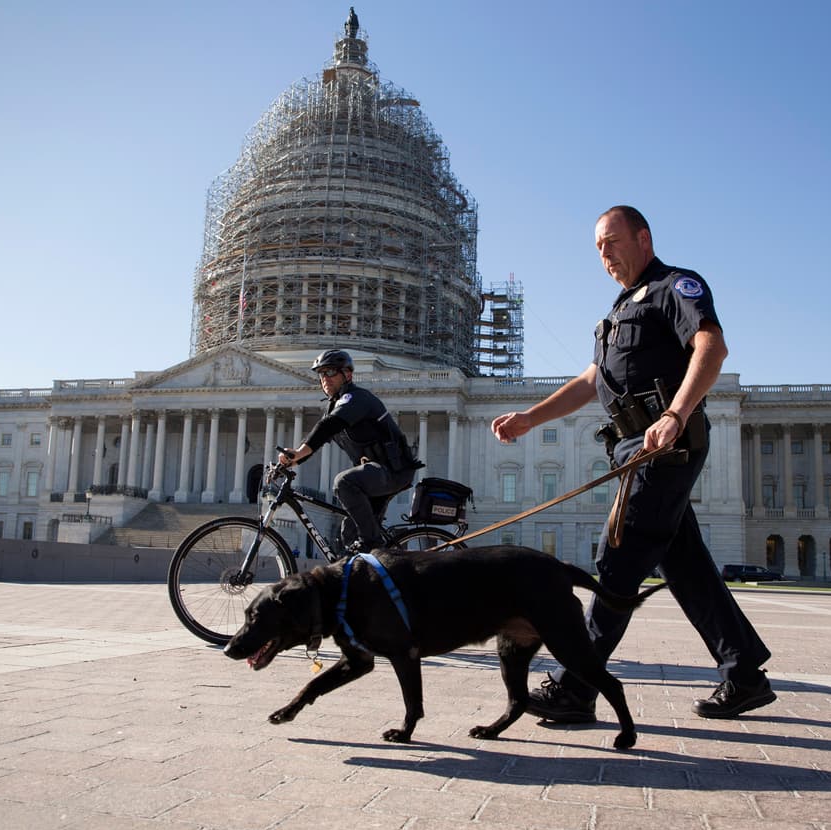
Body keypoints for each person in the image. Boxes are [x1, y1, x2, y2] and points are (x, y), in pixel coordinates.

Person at [491, 205, 775, 720]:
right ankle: (744, 674)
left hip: (662, 444)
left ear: (643, 238)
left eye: (612, 242)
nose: (605, 255)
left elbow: (712, 346)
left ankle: (577, 686)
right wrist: (531, 418)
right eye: (598, 248)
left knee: (617, 561)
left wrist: (675, 413)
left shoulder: (674, 287)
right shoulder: (619, 312)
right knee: (686, 566)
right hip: (634, 446)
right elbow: (590, 381)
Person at [279, 349, 422, 554]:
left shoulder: (357, 398)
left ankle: (373, 544)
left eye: (330, 372)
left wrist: (299, 452)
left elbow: (328, 426)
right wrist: (292, 460)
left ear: (347, 374)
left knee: (344, 482)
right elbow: (320, 437)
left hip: (392, 471)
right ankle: (372, 573)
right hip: (377, 473)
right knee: (349, 532)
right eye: (321, 374)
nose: (324, 379)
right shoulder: (335, 406)